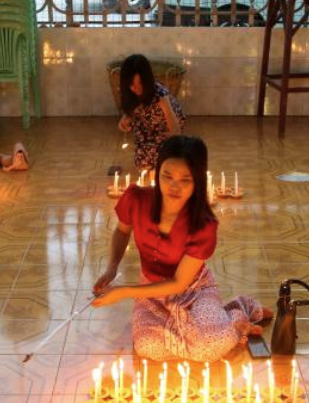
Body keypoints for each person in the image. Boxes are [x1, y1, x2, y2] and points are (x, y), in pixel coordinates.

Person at [92, 135, 269, 361]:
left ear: (197, 181)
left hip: (193, 289)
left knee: (208, 348)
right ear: (158, 173)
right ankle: (203, 327)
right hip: (151, 291)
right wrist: (111, 269)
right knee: (147, 347)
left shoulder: (204, 225)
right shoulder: (136, 199)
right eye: (167, 176)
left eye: (185, 179)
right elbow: (122, 231)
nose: (174, 186)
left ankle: (237, 312)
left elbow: (178, 283)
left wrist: (123, 292)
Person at [118, 54, 185, 171]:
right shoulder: (130, 93)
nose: (137, 89)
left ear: (147, 81)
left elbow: (176, 130)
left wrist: (163, 143)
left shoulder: (161, 96)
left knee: (156, 161)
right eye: (132, 85)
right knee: (142, 160)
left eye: (140, 84)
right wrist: (126, 119)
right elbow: (133, 110)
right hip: (147, 124)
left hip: (166, 129)